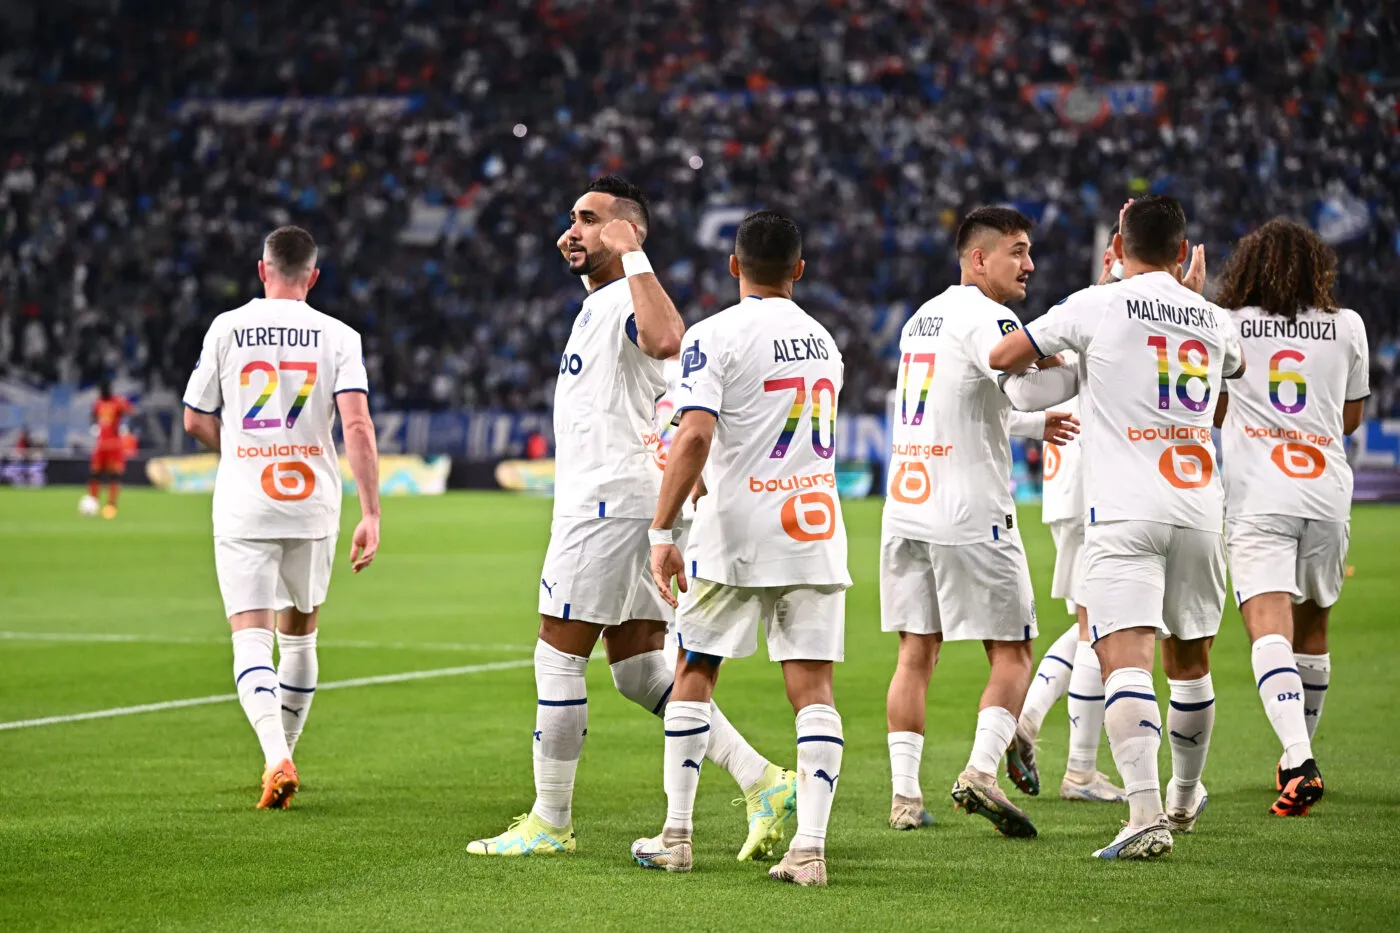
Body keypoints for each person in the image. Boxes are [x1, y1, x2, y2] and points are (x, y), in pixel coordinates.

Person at [468, 178, 794, 859]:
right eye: (571, 217)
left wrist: (632, 255)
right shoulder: (603, 303)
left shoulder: (627, 296)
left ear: (627, 232)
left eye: (590, 219)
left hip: (605, 505)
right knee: (641, 669)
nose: (572, 230)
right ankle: (762, 780)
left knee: (557, 654)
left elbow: (669, 338)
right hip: (631, 501)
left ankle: (550, 820)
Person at [990, 195, 1244, 860]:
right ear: (1184, 252)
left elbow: (1004, 352)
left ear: (1120, 247)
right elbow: (1232, 375)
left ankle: (1144, 815)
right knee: (1190, 664)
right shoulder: (1214, 318)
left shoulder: (1097, 303)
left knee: (1124, 659)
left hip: (1125, 509)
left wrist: (1059, 361)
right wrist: (1189, 304)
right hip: (1199, 507)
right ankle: (1184, 798)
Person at [633, 210, 846, 887]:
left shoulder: (714, 334)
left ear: (734, 265)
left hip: (737, 529)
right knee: (813, 688)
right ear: (799, 269)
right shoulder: (825, 341)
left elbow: (695, 433)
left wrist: (662, 529)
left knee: (693, 669)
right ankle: (810, 850)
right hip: (814, 528)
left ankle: (677, 835)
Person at [879, 207, 1079, 839]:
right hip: (969, 510)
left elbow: (966, 403)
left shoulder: (922, 317)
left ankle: (904, 797)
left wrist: (1032, 426)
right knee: (1013, 652)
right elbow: (1023, 389)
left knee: (916, 652)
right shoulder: (989, 316)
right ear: (979, 258)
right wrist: (1089, 370)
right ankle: (981, 771)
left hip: (906, 506)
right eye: (1017, 251)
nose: (1029, 265)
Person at [182, 225, 381, 809]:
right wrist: (371, 512)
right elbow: (357, 425)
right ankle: (285, 753)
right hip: (312, 503)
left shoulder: (226, 327)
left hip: (246, 502)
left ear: (262, 270)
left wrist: (240, 453)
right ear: (313, 277)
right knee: (299, 638)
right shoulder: (339, 335)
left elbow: (194, 418)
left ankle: (275, 756)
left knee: (251, 637)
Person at [1213, 218, 1369, 816]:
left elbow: (1213, 407)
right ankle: (1294, 756)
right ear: (1317, 269)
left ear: (1248, 267)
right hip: (1325, 490)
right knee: (1313, 630)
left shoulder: (1227, 324)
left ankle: (1300, 759)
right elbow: (1350, 418)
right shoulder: (1348, 324)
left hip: (1260, 493)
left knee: (1268, 629)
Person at [1014, 235, 1130, 806]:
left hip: (1071, 486)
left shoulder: (1080, 313)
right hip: (1095, 488)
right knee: (1099, 627)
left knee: (1094, 619)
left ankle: (1029, 716)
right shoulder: (1115, 313)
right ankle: (1081, 771)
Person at [89, 382, 133, 518]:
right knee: (95, 474)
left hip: (114, 445)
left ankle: (111, 505)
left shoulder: (117, 402)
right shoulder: (98, 403)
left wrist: (125, 425)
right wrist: (95, 426)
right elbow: (93, 416)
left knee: (113, 476)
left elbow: (131, 411)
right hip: (101, 444)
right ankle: (93, 503)